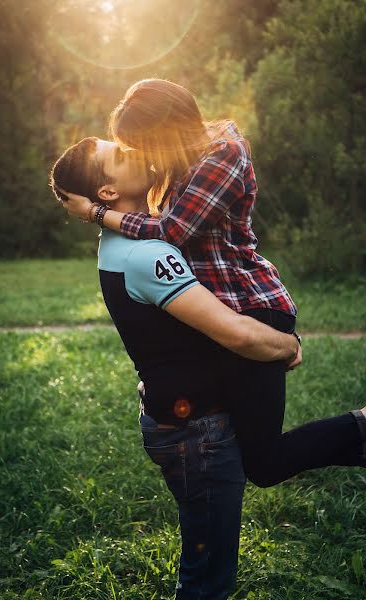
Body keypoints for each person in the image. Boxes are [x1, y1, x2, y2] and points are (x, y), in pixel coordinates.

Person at [51, 136, 366, 600]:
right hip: (196, 436)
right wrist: (286, 344)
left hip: (184, 424)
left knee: (209, 558)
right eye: (119, 154)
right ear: (107, 193)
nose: (134, 148)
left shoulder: (122, 241)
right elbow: (235, 333)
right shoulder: (148, 255)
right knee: (207, 579)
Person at [61, 80, 366, 488]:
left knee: (264, 464)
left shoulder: (223, 154)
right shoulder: (180, 157)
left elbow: (172, 230)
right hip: (226, 308)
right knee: (250, 452)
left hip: (251, 306)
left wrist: (99, 213)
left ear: (166, 130)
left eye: (140, 142)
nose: (139, 153)